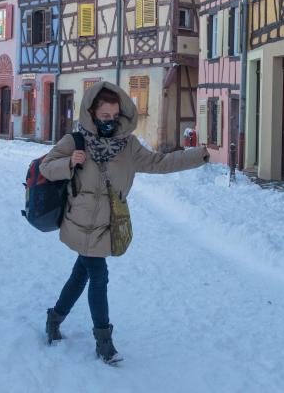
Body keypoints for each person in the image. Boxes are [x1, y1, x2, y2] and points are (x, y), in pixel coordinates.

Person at [38, 81, 209, 364]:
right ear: (92, 114)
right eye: (104, 117)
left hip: (107, 223)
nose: (110, 121)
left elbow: (159, 163)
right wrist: (69, 162)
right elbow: (46, 167)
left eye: (114, 116)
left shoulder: (128, 146)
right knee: (98, 275)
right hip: (80, 221)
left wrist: (196, 155)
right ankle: (104, 341)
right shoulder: (75, 141)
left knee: (82, 274)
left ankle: (54, 318)